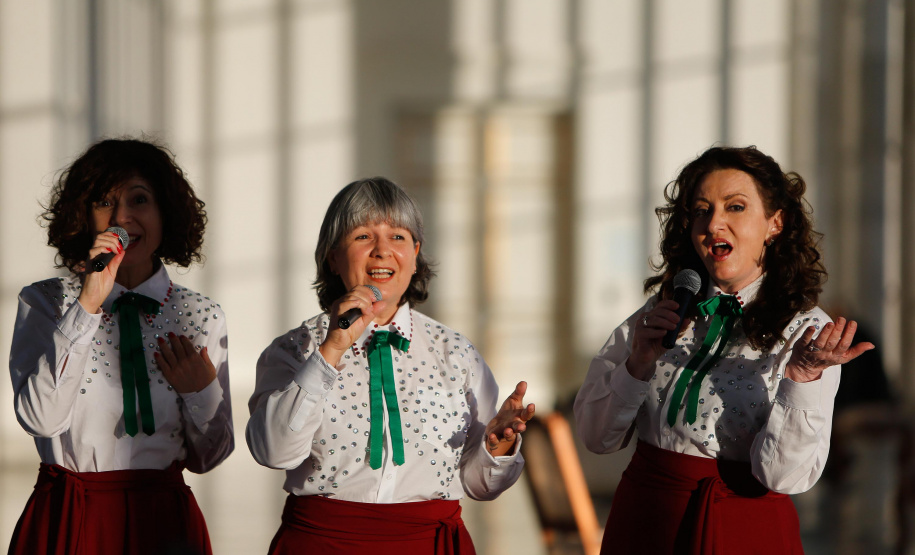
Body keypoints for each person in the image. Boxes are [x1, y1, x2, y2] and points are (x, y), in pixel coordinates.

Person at [574, 145, 875, 554]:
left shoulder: (807, 329)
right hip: (643, 520)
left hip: (742, 529)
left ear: (775, 223)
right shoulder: (662, 309)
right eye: (701, 210)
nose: (714, 223)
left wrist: (802, 380)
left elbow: (786, 477)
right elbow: (596, 437)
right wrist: (638, 362)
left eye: (735, 207)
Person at [246, 177, 534, 554]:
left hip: (427, 543)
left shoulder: (456, 354)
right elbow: (273, 452)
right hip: (322, 543)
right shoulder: (294, 349)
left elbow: (479, 486)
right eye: (363, 236)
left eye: (398, 237)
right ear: (333, 256)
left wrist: (496, 449)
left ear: (415, 255)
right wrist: (331, 349)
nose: (382, 251)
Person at [8, 138, 233, 555]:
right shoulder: (45, 302)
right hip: (71, 516)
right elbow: (40, 419)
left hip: (165, 522)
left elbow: (209, 458)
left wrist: (201, 392)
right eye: (104, 202)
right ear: (83, 216)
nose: (122, 217)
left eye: (140, 199)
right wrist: (88, 303)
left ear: (165, 213)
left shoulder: (202, 315)